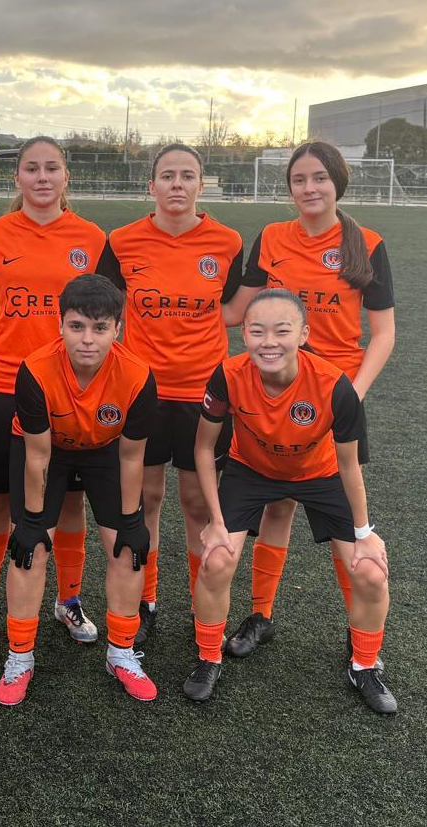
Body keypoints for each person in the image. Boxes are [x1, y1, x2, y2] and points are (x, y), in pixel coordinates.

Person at [188, 288, 395, 714]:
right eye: (257, 331)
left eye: (282, 331)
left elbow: (349, 465)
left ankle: (364, 665)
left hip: (320, 473)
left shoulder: (334, 386)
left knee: (371, 571)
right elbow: (204, 449)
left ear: (303, 334)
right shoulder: (227, 375)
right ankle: (209, 658)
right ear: (244, 333)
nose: (269, 342)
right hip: (250, 470)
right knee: (216, 560)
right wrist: (215, 521)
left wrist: (364, 532)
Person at [226, 140, 396, 659]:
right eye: (299, 179)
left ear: (337, 181)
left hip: (334, 398)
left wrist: (352, 395)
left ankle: (358, 632)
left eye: (319, 177)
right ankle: (261, 615)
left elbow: (384, 334)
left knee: (345, 520)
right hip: (274, 395)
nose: (309, 188)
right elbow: (237, 311)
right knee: (276, 507)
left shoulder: (367, 244)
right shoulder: (272, 237)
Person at [0, 135, 116, 646]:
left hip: (70, 390)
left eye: (51, 168)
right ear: (17, 176)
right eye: (31, 168)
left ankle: (69, 600)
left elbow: (114, 311)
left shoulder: (91, 237)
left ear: (66, 177)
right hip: (5, 384)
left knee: (68, 505)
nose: (42, 178)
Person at [107, 143, 261, 644]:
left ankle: (202, 603)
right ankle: (147, 600)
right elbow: (111, 308)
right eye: (168, 175)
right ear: (150, 185)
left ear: (201, 184)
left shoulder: (226, 241)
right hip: (143, 390)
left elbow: (233, 309)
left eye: (187, 175)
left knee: (197, 502)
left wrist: (195, 328)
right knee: (146, 496)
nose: (177, 184)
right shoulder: (123, 241)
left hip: (205, 393)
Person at [0, 275, 157, 706]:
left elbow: (131, 457)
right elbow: (37, 455)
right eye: (77, 326)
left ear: (118, 328)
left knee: (129, 547)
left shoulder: (138, 376)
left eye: (100, 328)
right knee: (30, 549)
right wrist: (31, 521)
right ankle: (19, 657)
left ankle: (121, 653)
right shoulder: (35, 370)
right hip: (46, 450)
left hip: (105, 451)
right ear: (60, 325)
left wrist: (131, 520)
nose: (88, 339)